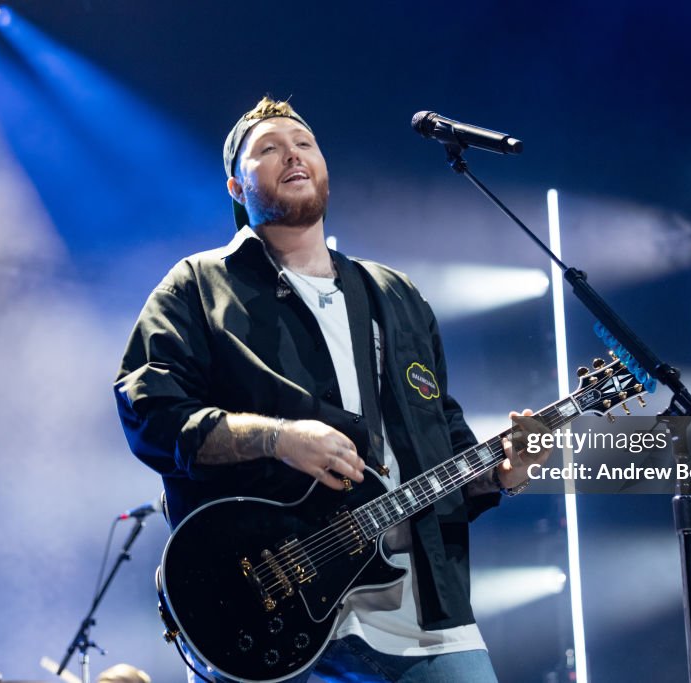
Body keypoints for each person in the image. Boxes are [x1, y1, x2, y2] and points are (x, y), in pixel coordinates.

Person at [115, 96, 551, 682]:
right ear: (237, 188)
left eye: (304, 144)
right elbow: (150, 413)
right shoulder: (196, 286)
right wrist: (277, 439)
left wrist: (503, 474)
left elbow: (439, 442)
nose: (292, 154)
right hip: (269, 618)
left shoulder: (395, 296)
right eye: (267, 149)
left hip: (426, 619)